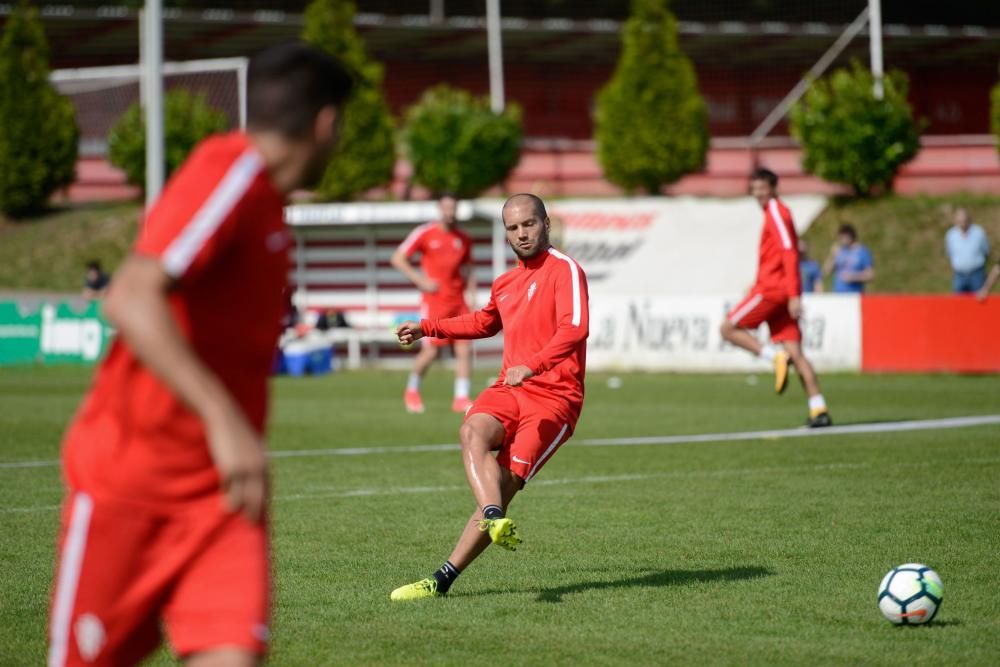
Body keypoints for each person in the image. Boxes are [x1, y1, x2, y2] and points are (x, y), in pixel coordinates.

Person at [48, 44, 353, 667]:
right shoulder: (230, 170)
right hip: (129, 485)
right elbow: (130, 297)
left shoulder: (269, 202)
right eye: (342, 127)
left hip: (221, 499)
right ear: (325, 124)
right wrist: (226, 422)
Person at [389, 193, 589, 601]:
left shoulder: (566, 270)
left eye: (529, 224)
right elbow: (483, 322)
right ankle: (494, 518)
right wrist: (427, 327)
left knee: (501, 482)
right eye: (513, 228)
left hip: (554, 399)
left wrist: (533, 364)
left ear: (545, 224)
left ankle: (441, 580)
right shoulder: (506, 282)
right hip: (510, 389)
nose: (522, 234)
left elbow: (575, 328)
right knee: (471, 431)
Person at [720, 168, 832, 428]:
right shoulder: (775, 212)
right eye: (754, 188)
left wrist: (794, 295)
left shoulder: (776, 212)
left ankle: (773, 357)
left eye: (762, 187)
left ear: (773, 187)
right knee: (796, 352)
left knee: (728, 328)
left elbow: (789, 252)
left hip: (774, 290)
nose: (757, 193)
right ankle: (819, 408)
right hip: (778, 288)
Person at [390, 193, 475, 414]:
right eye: (446, 208)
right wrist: (420, 281)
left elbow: (469, 269)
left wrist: (472, 297)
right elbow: (397, 258)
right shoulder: (425, 233)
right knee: (430, 352)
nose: (449, 212)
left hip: (458, 302)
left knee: (464, 348)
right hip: (435, 303)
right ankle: (412, 390)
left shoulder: (463, 239)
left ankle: (461, 397)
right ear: (439, 209)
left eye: (453, 208)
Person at [945, 207, 990, 294]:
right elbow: (950, 253)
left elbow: (986, 251)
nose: (962, 222)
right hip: (959, 275)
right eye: (960, 220)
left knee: (978, 302)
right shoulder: (951, 235)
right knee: (959, 303)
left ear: (968, 219)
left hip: (977, 274)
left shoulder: (978, 232)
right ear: (955, 220)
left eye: (964, 219)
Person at [824, 224, 874, 293]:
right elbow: (827, 271)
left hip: (855, 296)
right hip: (838, 295)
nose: (841, 240)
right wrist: (832, 255)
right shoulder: (839, 251)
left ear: (850, 236)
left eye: (843, 237)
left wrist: (853, 277)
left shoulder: (862, 252)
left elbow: (870, 275)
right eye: (840, 238)